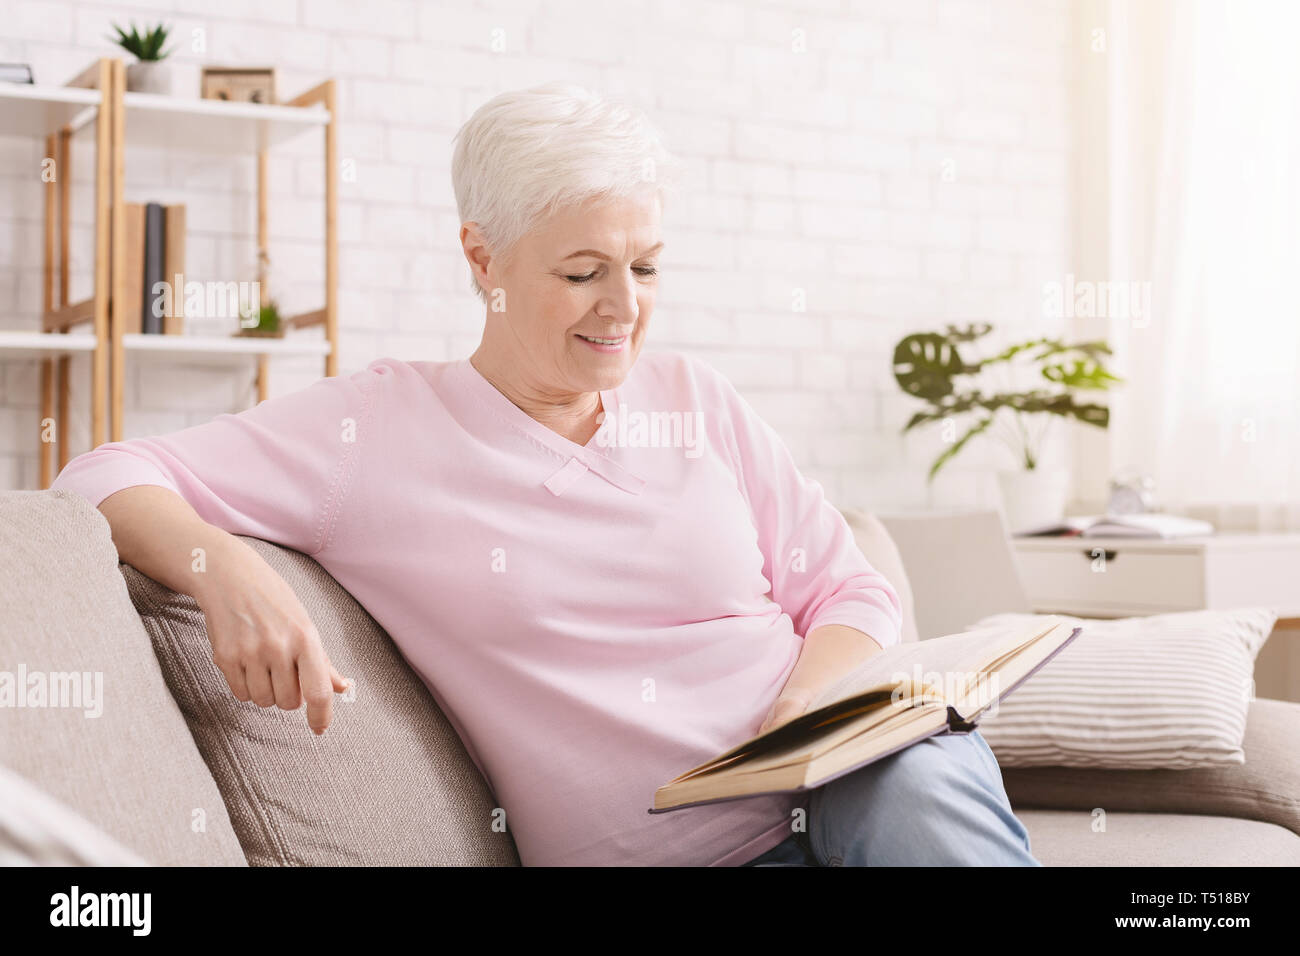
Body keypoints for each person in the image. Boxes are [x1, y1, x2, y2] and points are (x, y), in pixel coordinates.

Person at [51, 83, 1039, 867]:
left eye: (646, 267)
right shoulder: (375, 428)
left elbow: (849, 587)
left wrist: (799, 711)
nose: (623, 307)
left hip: (854, 780)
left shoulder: (696, 396)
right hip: (687, 851)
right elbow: (98, 470)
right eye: (582, 272)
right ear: (483, 257)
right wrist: (223, 566)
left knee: (919, 777)